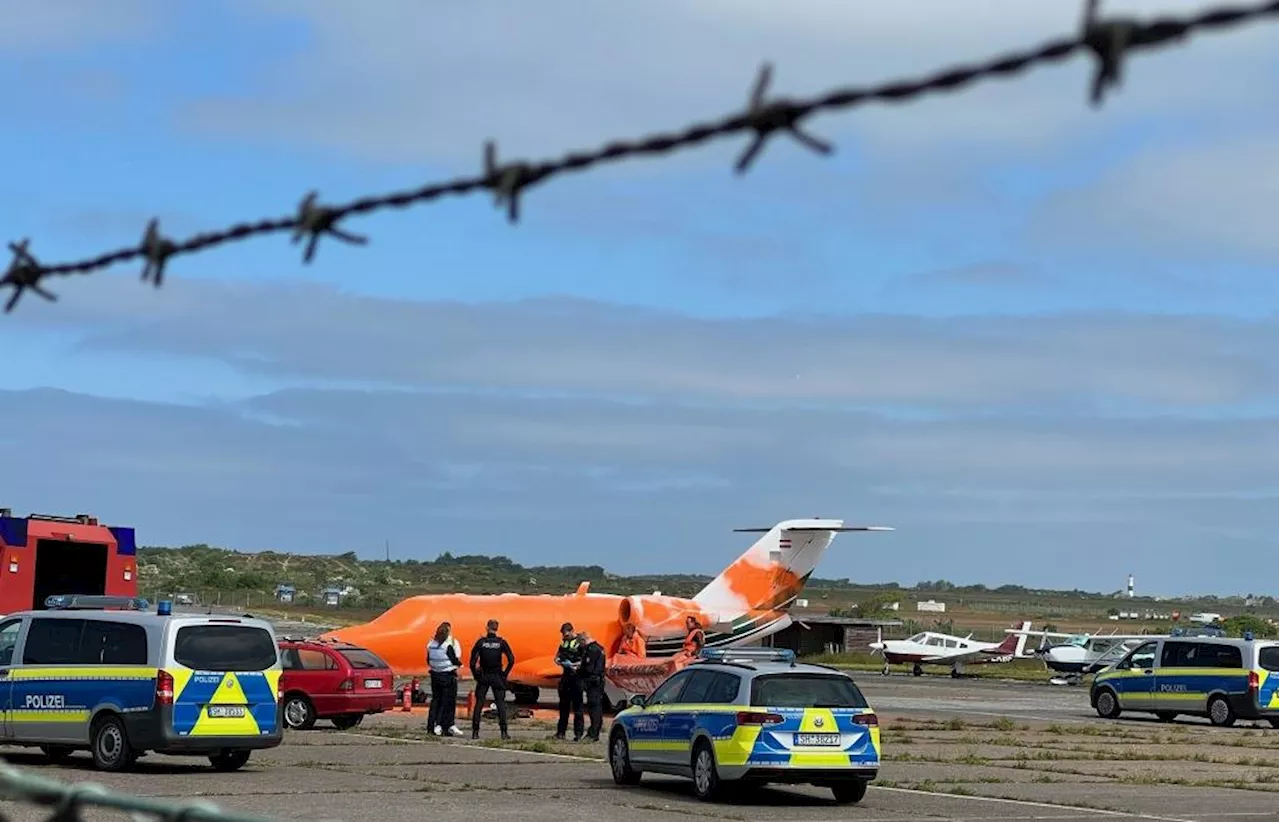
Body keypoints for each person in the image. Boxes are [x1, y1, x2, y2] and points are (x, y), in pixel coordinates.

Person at [469, 618, 514, 740]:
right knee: (500, 704)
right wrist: (505, 674)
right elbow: (511, 659)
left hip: (484, 675)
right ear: (497, 629)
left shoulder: (481, 642)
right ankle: (504, 732)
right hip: (497, 675)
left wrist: (475, 675)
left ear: (487, 628)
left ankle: (475, 732)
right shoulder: (501, 642)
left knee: (479, 703)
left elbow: (472, 662)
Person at [426, 622, 464, 737]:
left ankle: (431, 725)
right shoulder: (448, 645)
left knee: (436, 701)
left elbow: (428, 660)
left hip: (435, 675)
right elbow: (454, 659)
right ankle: (444, 725)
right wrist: (460, 665)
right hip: (447, 675)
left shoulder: (431, 644)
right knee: (448, 701)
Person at [553, 622, 584, 741]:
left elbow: (585, 660)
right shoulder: (564, 642)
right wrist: (557, 660)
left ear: (572, 631)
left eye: (566, 635)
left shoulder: (579, 642)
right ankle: (561, 732)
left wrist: (574, 665)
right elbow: (558, 654)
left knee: (578, 708)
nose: (564, 637)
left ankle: (578, 734)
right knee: (563, 707)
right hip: (566, 676)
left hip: (576, 677)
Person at [577, 630, 606, 742]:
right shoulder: (599, 648)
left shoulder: (592, 650)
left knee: (594, 709)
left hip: (594, 682)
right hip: (597, 681)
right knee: (595, 708)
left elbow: (589, 668)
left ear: (584, 640)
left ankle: (593, 733)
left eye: (581, 643)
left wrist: (579, 668)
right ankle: (594, 732)